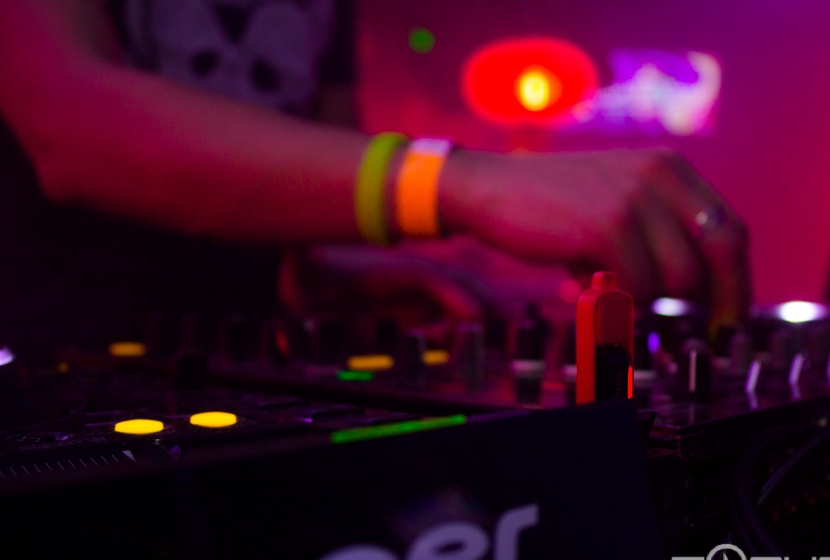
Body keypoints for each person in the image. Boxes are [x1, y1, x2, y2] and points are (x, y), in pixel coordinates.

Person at [0, 0, 750, 355]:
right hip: (54, 373)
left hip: (257, 359)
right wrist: (466, 183)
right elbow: (66, 119)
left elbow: (317, 180)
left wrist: (337, 278)